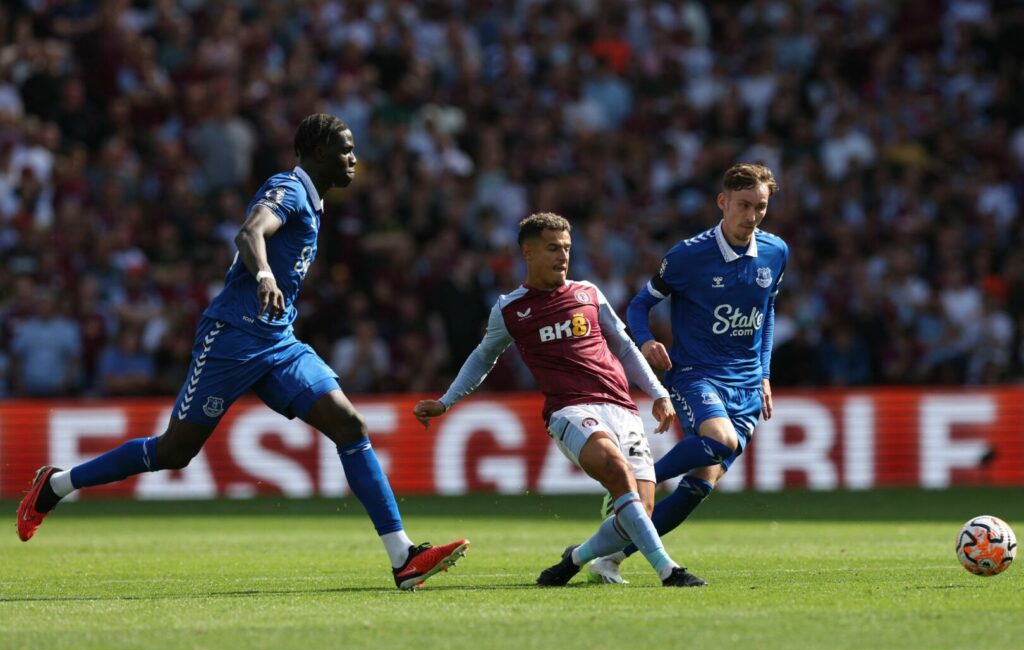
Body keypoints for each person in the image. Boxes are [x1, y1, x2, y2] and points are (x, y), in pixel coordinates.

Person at [17, 113, 468, 591]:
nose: (353, 158)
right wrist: (265, 276)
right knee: (175, 451)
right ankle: (55, 485)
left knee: (350, 425)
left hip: (278, 340)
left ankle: (403, 558)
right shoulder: (289, 189)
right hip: (231, 336)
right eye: (345, 149)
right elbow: (250, 233)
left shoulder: (314, 204)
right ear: (317, 153)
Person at [414, 212, 705, 587]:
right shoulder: (510, 309)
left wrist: (659, 392)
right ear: (528, 253)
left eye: (566, 248)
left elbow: (626, 348)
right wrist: (446, 401)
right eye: (553, 248)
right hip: (570, 410)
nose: (562, 256)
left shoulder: (588, 294)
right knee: (618, 475)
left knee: (641, 510)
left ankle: (576, 557)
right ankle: (669, 570)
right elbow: (483, 357)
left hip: (621, 406)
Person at [588, 162, 788, 585]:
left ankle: (607, 558)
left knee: (700, 486)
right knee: (719, 441)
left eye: (761, 207)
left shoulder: (775, 252)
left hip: (748, 384)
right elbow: (640, 304)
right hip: (697, 373)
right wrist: (644, 342)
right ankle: (640, 478)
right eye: (743, 205)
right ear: (723, 203)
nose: (751, 216)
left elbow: (766, 311)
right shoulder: (688, 256)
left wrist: (765, 374)